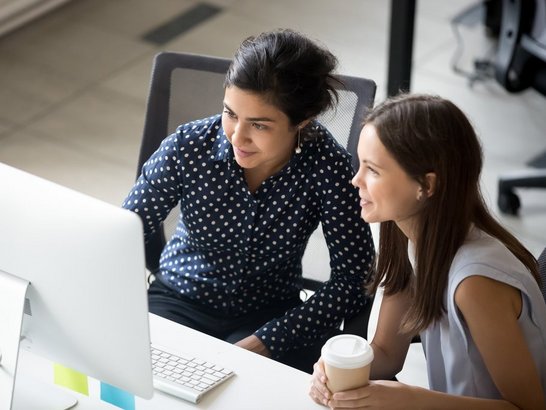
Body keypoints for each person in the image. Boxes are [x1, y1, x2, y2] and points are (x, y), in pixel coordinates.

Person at [122, 28, 375, 373]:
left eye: (259, 125)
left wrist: (271, 339)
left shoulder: (327, 167)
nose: (237, 137)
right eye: (230, 114)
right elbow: (123, 233)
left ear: (302, 121)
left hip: (270, 315)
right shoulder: (188, 146)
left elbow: (355, 277)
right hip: (179, 299)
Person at [310, 93, 546, 408]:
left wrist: (412, 399)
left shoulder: (475, 284)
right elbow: (387, 354)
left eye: (373, 170)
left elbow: (529, 407)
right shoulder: (407, 235)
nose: (356, 180)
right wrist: (332, 372)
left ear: (426, 185)